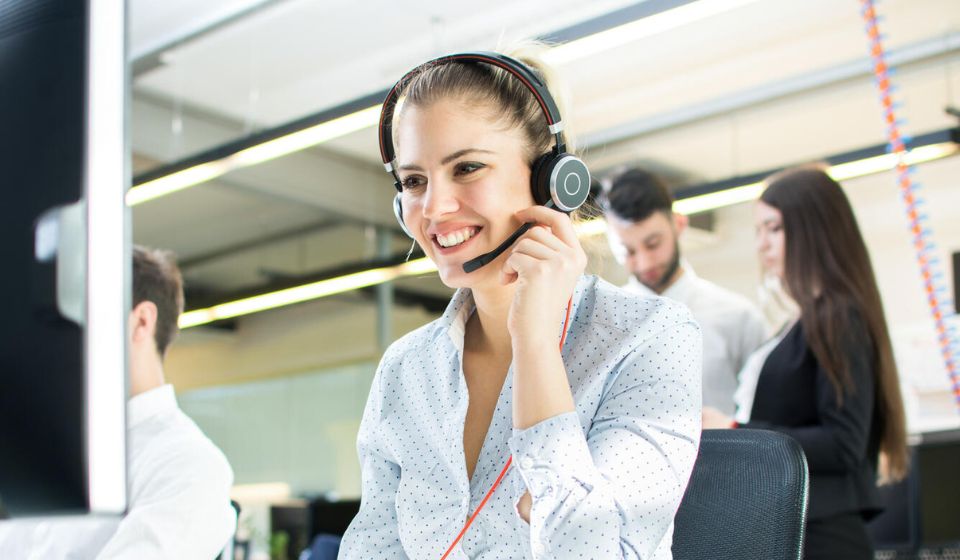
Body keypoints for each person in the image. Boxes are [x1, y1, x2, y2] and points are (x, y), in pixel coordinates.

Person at [338, 49, 702, 560]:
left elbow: (591, 552)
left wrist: (534, 345)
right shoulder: (406, 370)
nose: (434, 208)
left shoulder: (650, 336)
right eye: (415, 181)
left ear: (551, 180)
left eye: (467, 168)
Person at [702, 166, 909, 560]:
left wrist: (736, 430)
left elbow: (842, 442)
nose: (762, 245)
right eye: (759, 231)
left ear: (814, 229)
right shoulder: (804, 321)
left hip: (823, 533)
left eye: (774, 229)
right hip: (798, 526)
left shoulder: (838, 315)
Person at [0, 246, 237, 559]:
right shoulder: (47, 456)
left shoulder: (190, 465)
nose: (61, 335)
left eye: (82, 312)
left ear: (141, 322)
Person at [603, 167, 767, 415]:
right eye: (628, 251)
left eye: (653, 244)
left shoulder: (739, 318)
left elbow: (764, 419)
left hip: (721, 453)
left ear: (679, 225)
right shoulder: (603, 323)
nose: (645, 263)